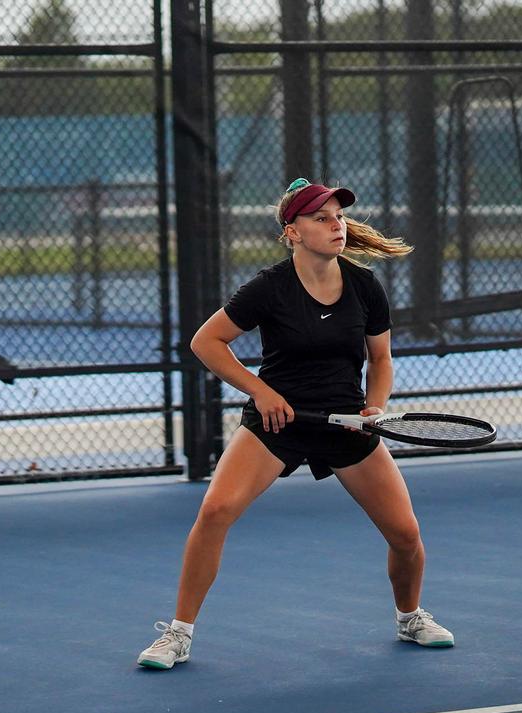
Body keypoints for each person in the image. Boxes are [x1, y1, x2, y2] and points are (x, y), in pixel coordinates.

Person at [137, 178, 454, 670]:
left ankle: (410, 617)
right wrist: (262, 392)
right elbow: (207, 342)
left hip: (347, 425)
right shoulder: (269, 288)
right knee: (216, 510)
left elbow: (381, 359)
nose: (337, 225)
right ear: (293, 232)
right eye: (322, 218)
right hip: (276, 423)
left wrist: (373, 409)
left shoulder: (366, 287)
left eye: (339, 217)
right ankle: (177, 634)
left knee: (405, 535)